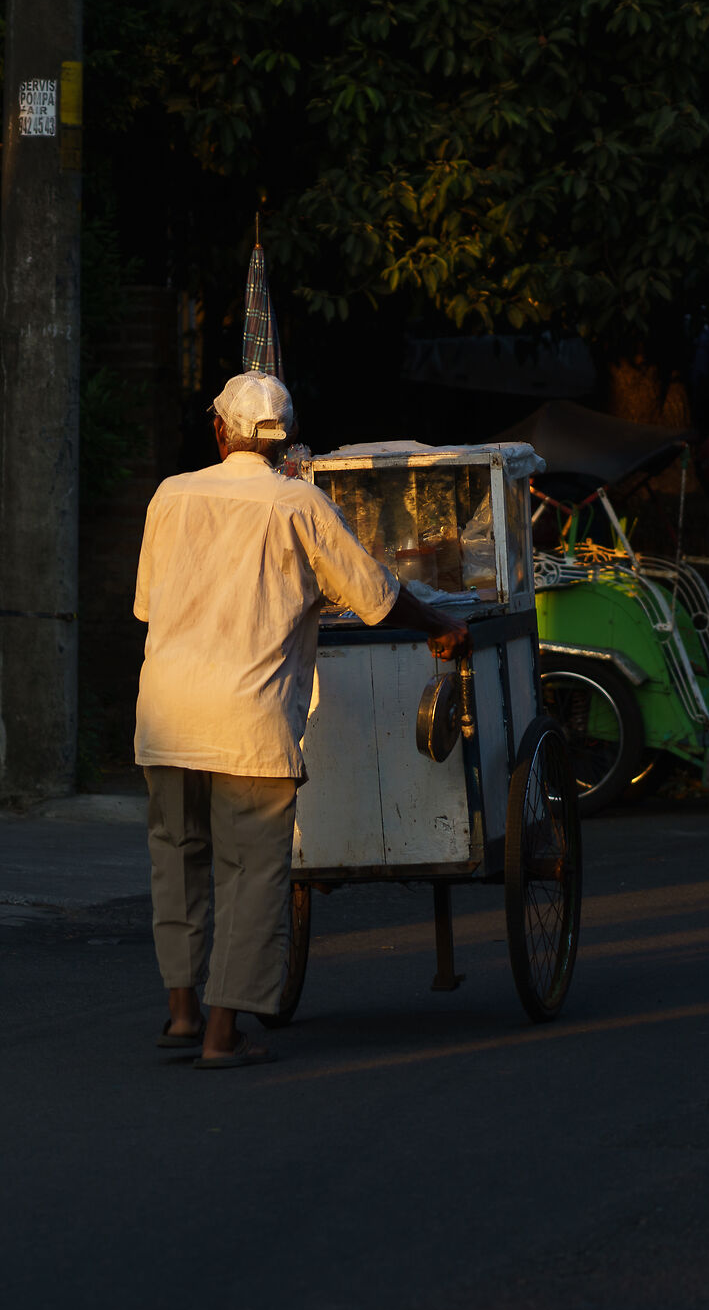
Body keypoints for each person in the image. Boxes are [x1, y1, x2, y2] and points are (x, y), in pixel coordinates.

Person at [133, 371, 468, 1069]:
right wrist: (439, 621)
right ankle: (223, 1035)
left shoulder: (171, 495)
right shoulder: (299, 503)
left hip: (165, 715)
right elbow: (374, 595)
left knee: (178, 860)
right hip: (247, 721)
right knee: (251, 873)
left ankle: (182, 1013)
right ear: (284, 439)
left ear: (220, 430)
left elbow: (148, 606)